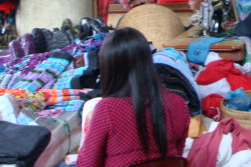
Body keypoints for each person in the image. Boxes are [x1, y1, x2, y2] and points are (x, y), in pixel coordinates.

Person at [76, 28, 190, 167]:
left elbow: (87, 164)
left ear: (109, 68)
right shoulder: (179, 104)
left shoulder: (107, 109)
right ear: (148, 61)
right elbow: (175, 157)